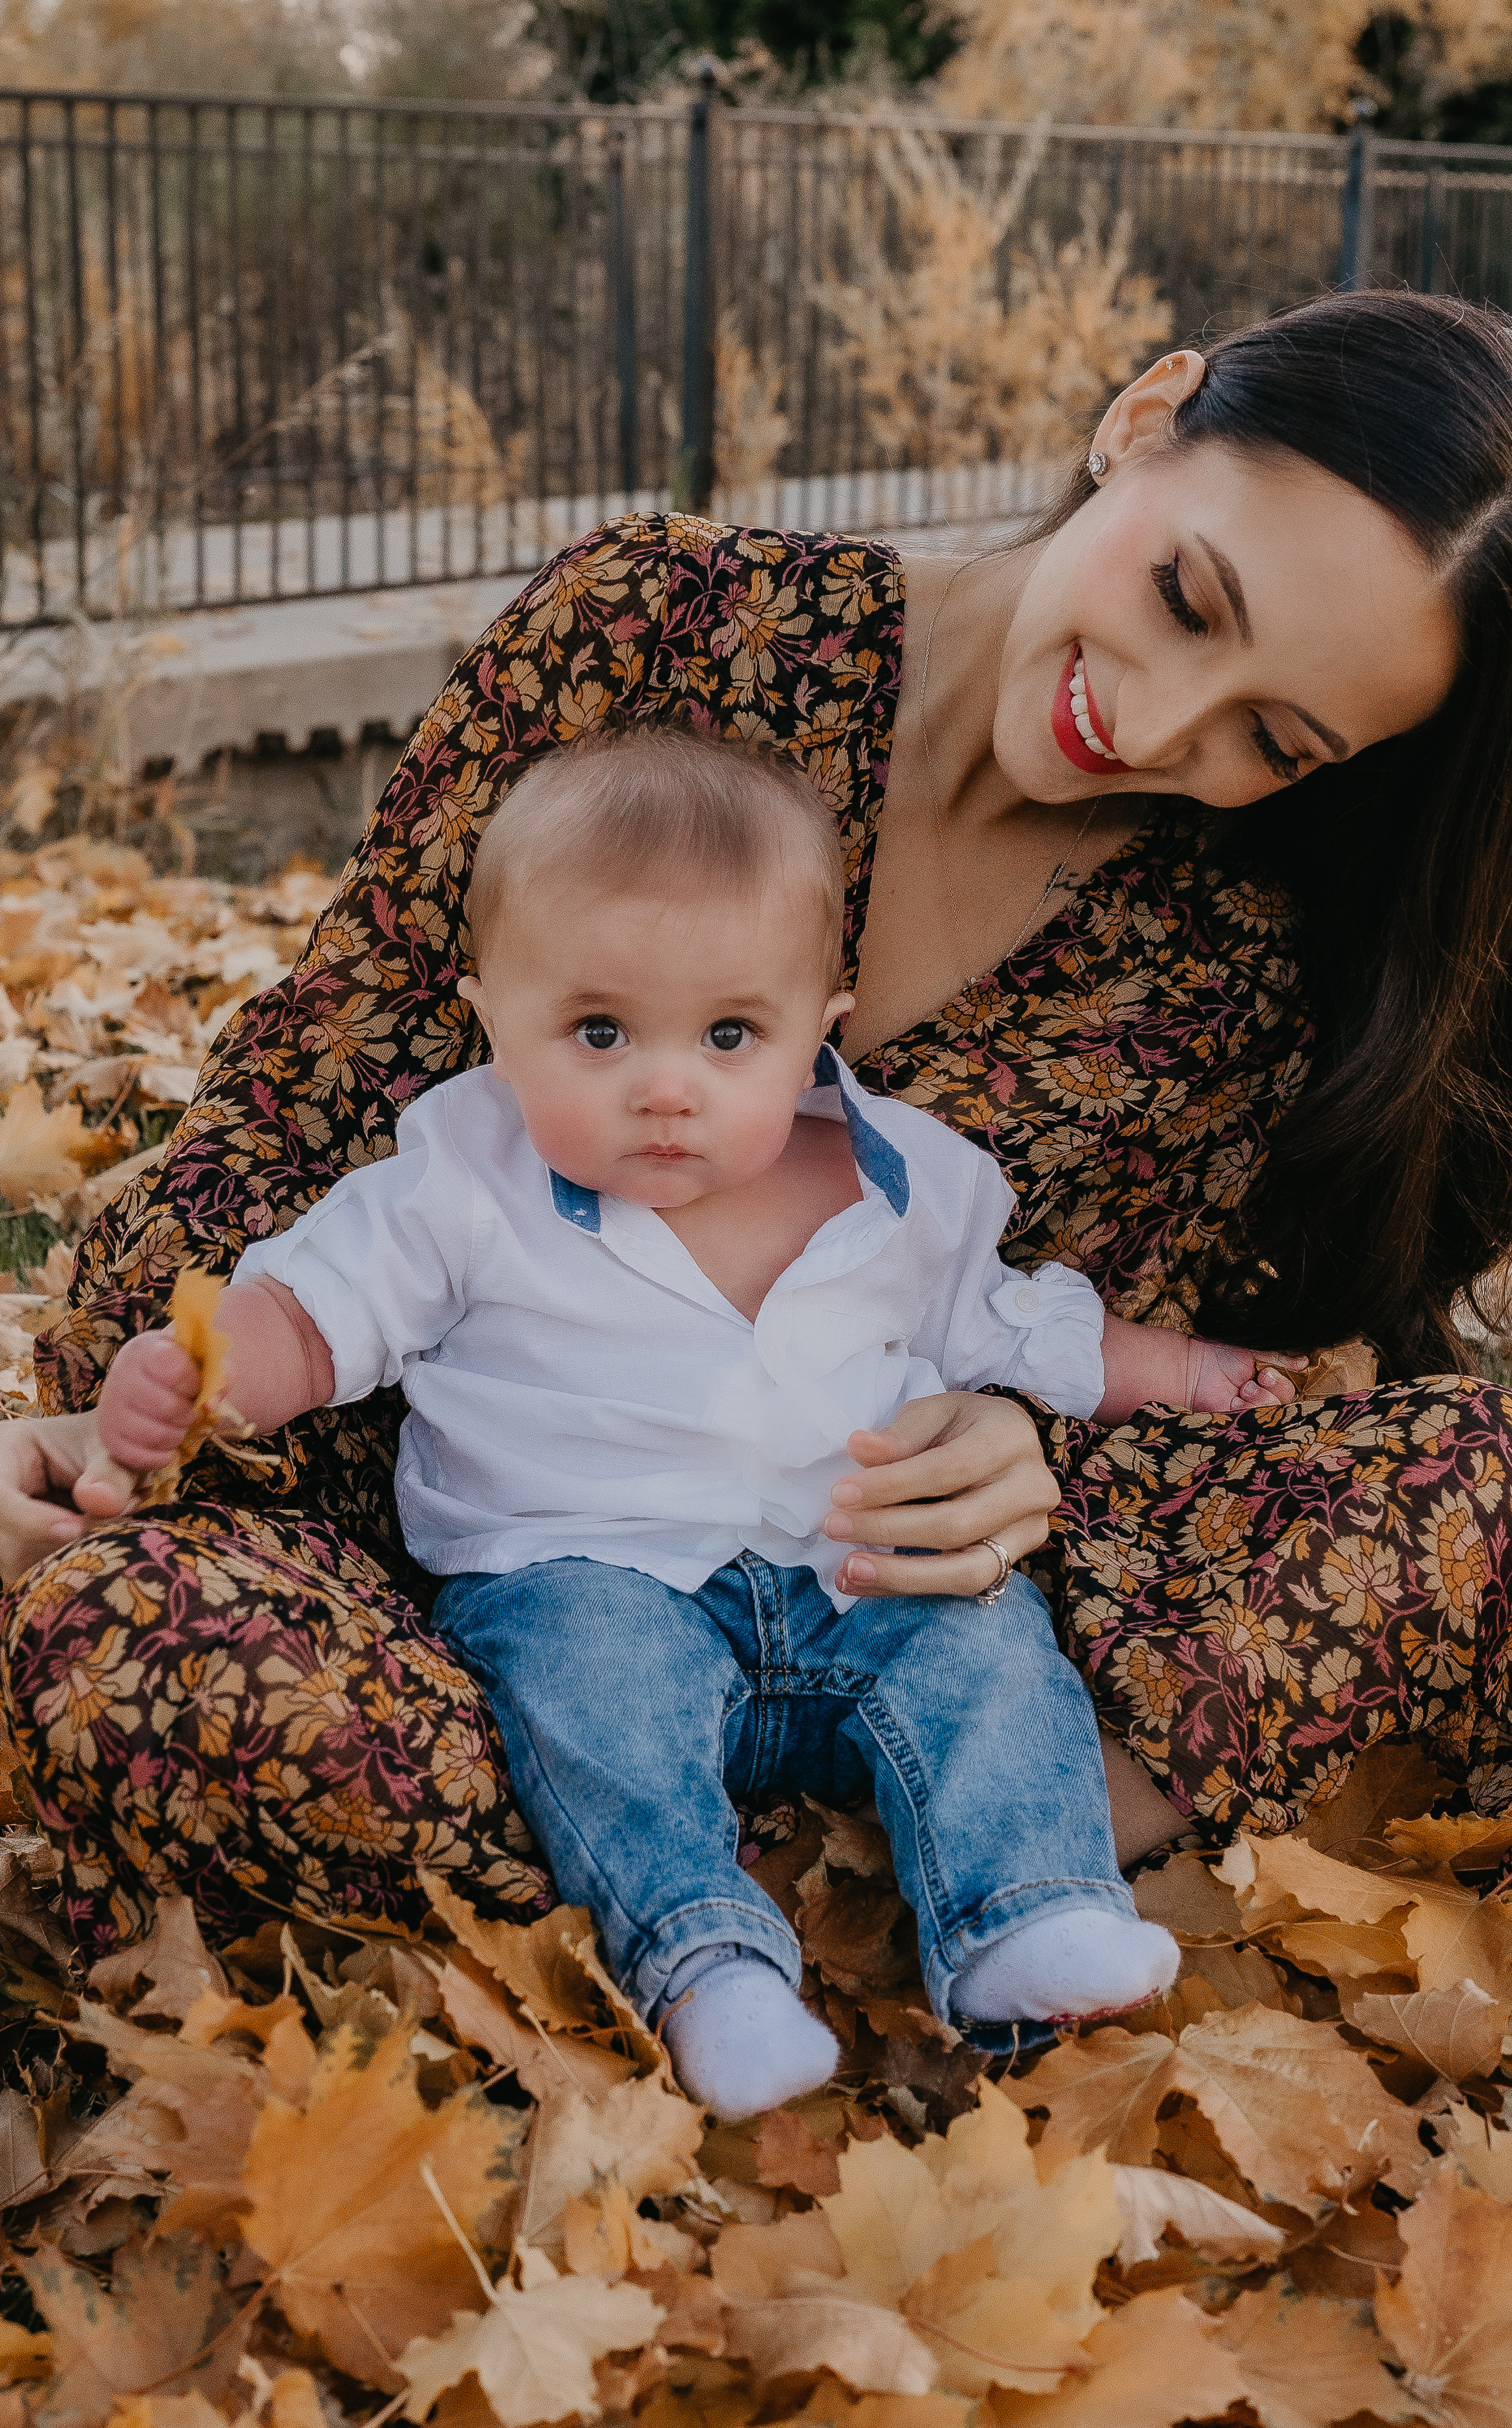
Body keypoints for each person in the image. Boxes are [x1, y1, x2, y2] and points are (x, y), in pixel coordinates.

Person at [0, 290, 1512, 1972]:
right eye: (1184, 599)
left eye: (1277, 737)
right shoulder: (659, 630)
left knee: (1474, 1481)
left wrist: (1026, 1453)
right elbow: (309, 1078)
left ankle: (783, 1879)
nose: (1158, 723)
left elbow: (1109, 1361)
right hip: (472, 1557)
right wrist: (110, 1413)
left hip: (888, 1607)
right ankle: (832, 1888)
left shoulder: (1222, 966)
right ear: (1144, 417)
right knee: (130, 1643)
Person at [86, 727, 1294, 2111]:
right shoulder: (466, 1172)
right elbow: (324, 1309)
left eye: (731, 1035)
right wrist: (208, 1370)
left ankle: (1026, 1914)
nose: (668, 1086)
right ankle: (707, 1964)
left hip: (856, 1566)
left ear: (821, 1018)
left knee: (992, 1650)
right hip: (581, 1570)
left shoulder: (908, 1181)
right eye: (599, 1032)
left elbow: (1016, 1326)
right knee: (594, 1712)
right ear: (494, 1012)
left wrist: (1192, 1374)